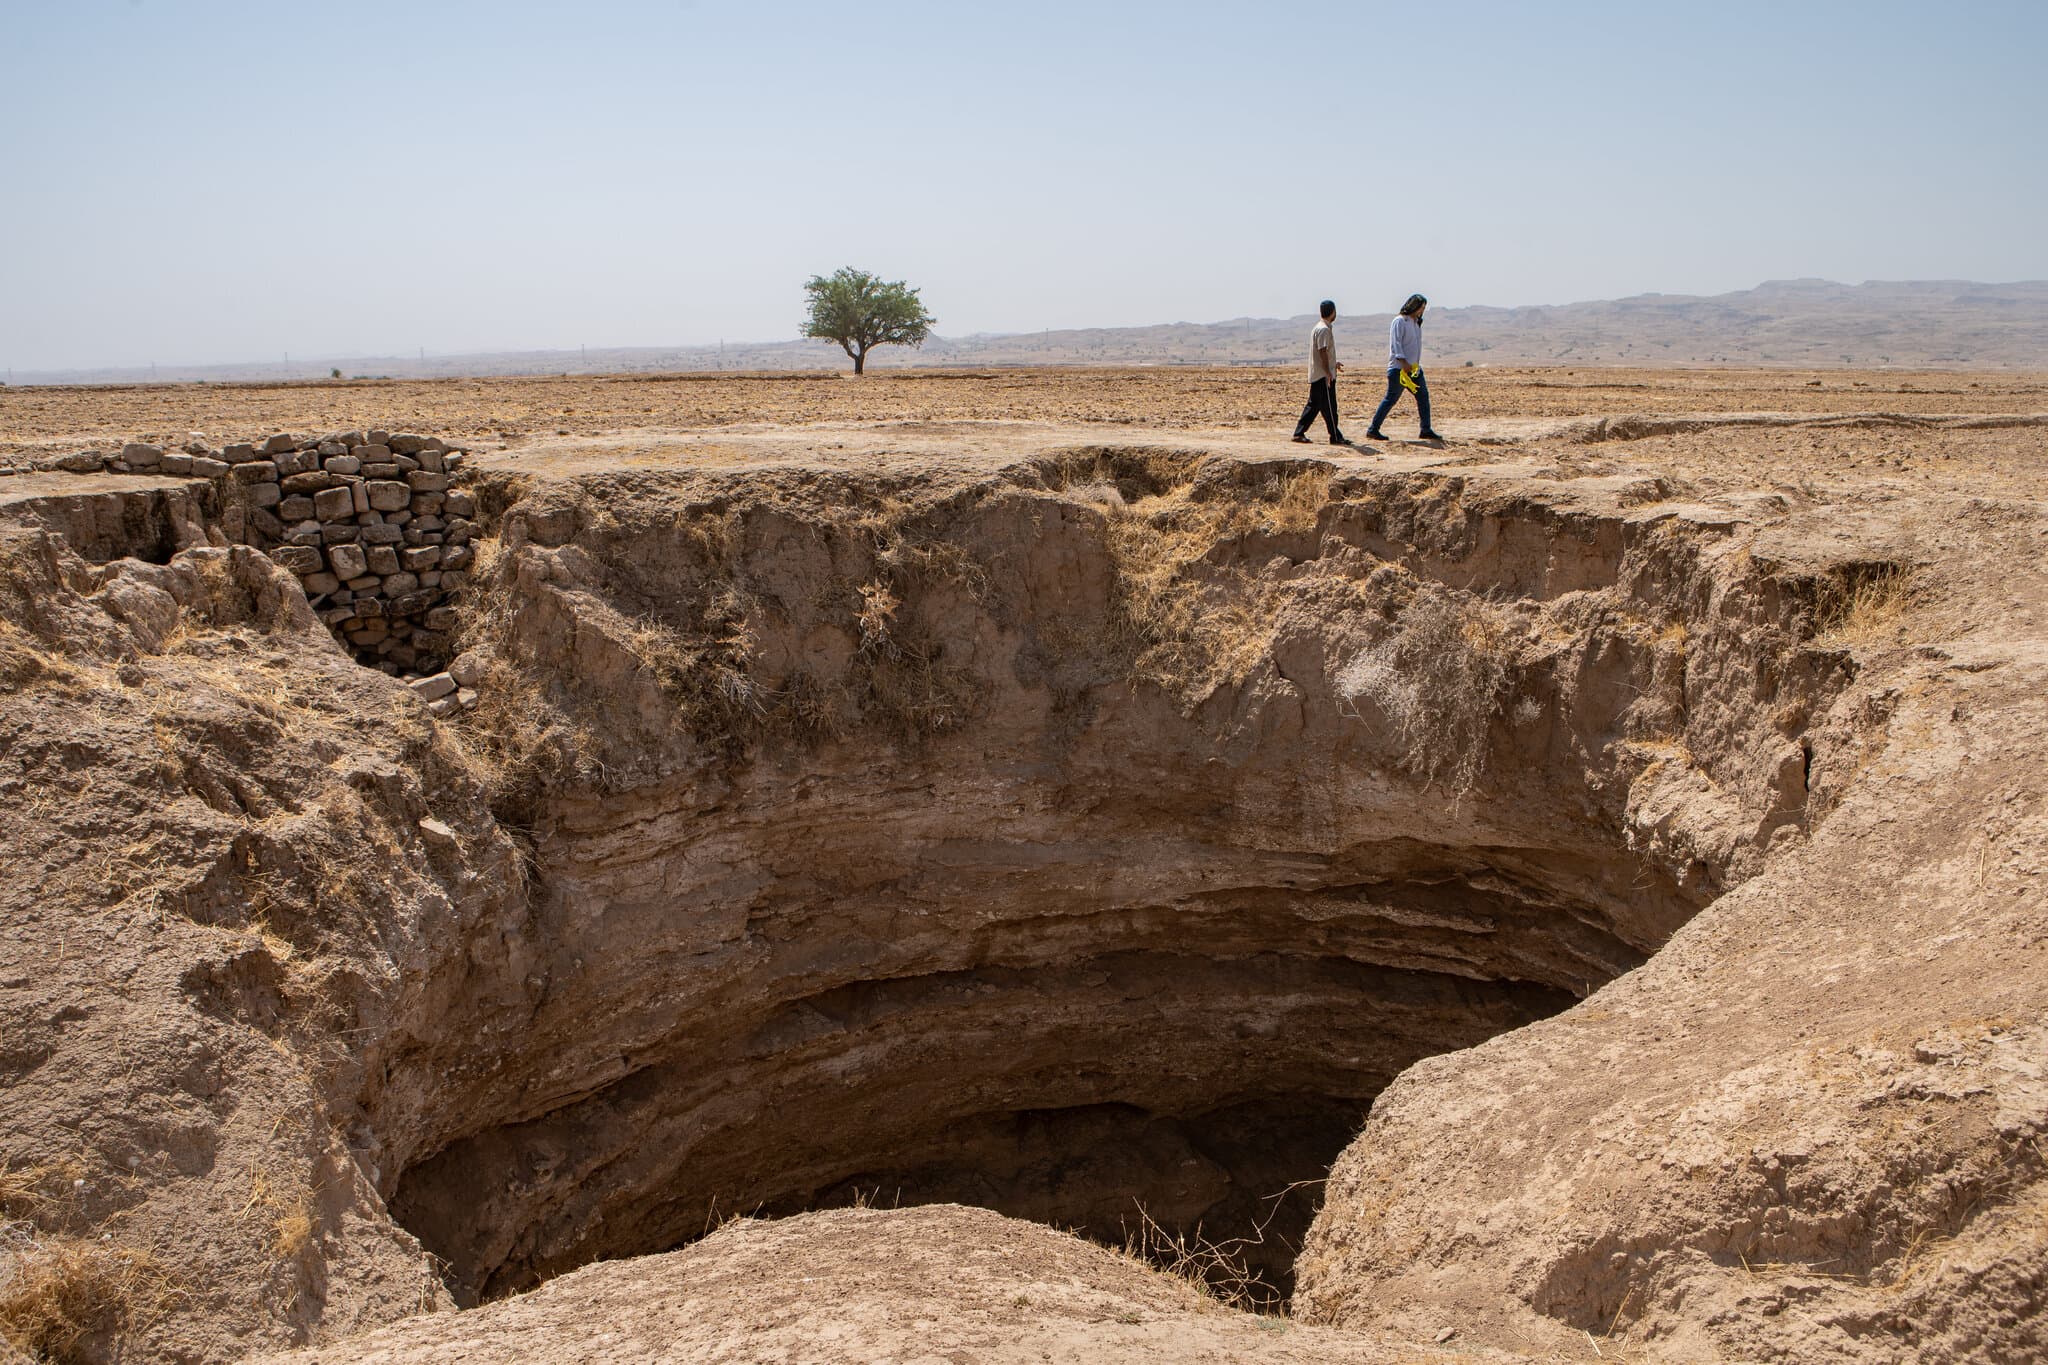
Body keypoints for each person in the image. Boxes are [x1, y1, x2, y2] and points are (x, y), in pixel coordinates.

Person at [1365, 294, 1442, 442]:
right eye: (1421, 307)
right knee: (1391, 399)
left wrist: (1413, 365)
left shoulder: (1415, 322)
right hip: (1399, 369)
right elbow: (1396, 344)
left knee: (1423, 397)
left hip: (1413, 369)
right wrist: (1403, 362)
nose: (1422, 311)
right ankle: (1373, 429)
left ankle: (1425, 429)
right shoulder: (1399, 321)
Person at [1290, 300, 1348, 445]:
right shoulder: (1323, 329)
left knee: (1315, 405)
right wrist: (1328, 371)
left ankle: (1300, 433)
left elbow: (1323, 352)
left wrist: (1333, 364)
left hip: (1320, 373)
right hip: (1323, 375)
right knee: (1330, 407)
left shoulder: (1320, 328)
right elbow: (1322, 351)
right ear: (1333, 311)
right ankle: (1335, 436)